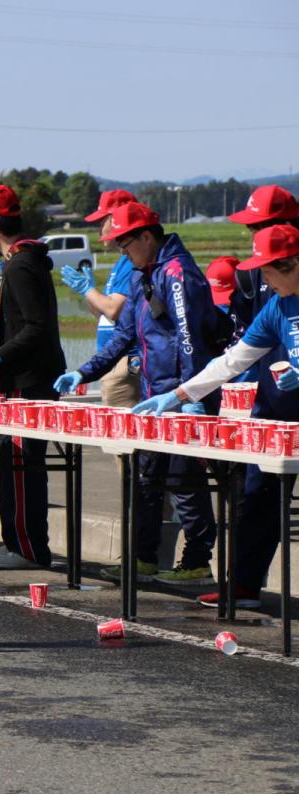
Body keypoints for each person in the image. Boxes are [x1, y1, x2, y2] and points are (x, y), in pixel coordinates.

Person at [55, 201, 224, 586]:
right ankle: (143, 558)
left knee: (184, 482)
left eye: (125, 244)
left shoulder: (177, 273)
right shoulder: (141, 273)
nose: (121, 252)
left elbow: (191, 339)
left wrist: (190, 395)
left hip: (183, 394)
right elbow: (125, 335)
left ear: (147, 236)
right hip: (153, 395)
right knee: (146, 479)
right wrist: (84, 371)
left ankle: (196, 562)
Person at [135, 225, 299, 608]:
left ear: (290, 264)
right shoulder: (277, 306)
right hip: (284, 424)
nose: (264, 280)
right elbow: (233, 360)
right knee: (258, 499)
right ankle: (243, 587)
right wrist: (177, 395)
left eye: (268, 272)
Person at [0, 184, 66, 569]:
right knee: (15, 464)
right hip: (27, 377)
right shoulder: (21, 260)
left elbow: (36, 328)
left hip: (29, 381)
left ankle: (28, 548)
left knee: (20, 467)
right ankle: (20, 543)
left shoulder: (21, 265)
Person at [60, 190, 141, 408]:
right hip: (111, 361)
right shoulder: (121, 262)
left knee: (122, 434)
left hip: (125, 362)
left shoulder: (131, 262)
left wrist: (88, 289)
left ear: (116, 220)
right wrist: (89, 292)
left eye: (102, 221)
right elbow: (102, 313)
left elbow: (114, 310)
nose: (99, 229)